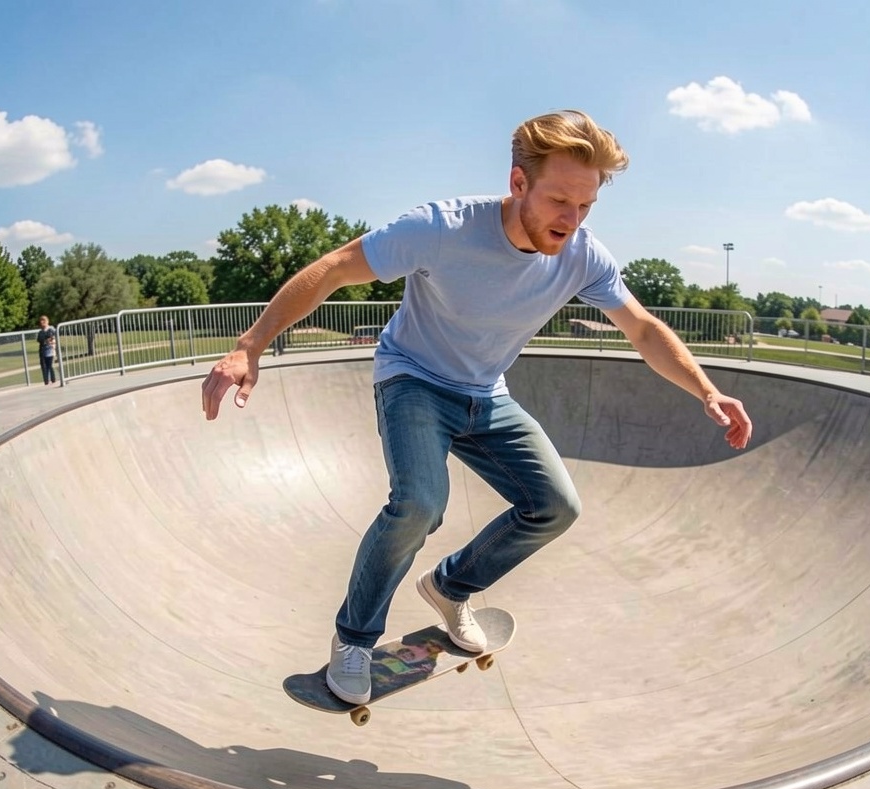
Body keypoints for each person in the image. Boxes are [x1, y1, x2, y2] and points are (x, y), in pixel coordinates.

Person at [201, 109, 752, 705]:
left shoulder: (584, 256)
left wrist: (707, 389)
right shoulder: (441, 228)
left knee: (555, 507)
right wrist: (250, 345)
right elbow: (334, 268)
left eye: (585, 206)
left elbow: (641, 328)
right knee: (419, 505)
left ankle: (450, 586)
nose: (571, 221)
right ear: (518, 183)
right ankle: (354, 639)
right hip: (413, 379)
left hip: (486, 393)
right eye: (559, 202)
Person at [37, 315, 57, 385]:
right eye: (41, 321)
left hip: (50, 350)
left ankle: (53, 379)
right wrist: (46, 340)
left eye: (44, 321)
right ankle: (46, 381)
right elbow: (40, 340)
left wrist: (50, 341)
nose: (42, 322)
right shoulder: (40, 332)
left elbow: (52, 338)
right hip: (43, 351)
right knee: (44, 366)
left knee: (50, 365)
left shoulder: (51, 330)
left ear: (47, 321)